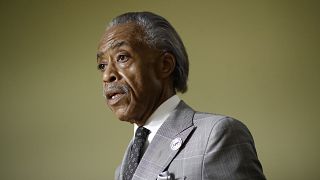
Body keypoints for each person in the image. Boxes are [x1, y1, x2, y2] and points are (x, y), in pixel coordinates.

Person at [96, 11, 266, 180]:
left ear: (165, 65)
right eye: (102, 65)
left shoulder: (217, 136)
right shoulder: (123, 169)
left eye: (122, 57)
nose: (107, 76)